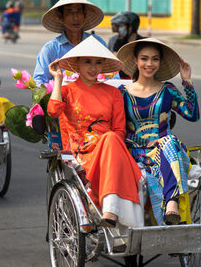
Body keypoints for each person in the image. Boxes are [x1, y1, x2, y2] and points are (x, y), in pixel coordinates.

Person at [46, 36, 143, 229]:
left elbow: (119, 130)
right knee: (110, 139)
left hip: (108, 147)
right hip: (80, 151)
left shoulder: (113, 93)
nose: (93, 68)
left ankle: (110, 210)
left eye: (98, 63)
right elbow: (53, 110)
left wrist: (107, 141)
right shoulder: (67, 90)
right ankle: (110, 209)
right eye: (87, 62)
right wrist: (58, 79)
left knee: (111, 137)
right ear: (77, 64)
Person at [116, 38, 199, 225]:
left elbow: (192, 114)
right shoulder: (122, 93)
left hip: (167, 153)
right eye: (144, 58)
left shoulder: (168, 90)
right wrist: (141, 142)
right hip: (134, 153)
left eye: (155, 59)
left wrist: (187, 82)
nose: (149, 64)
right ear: (136, 61)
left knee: (168, 142)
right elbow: (117, 127)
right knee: (165, 144)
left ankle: (172, 205)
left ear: (160, 62)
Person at [33, 0, 106, 85]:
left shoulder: (97, 43)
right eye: (69, 13)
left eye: (79, 12)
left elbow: (112, 75)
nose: (75, 18)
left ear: (85, 15)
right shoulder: (51, 49)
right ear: (60, 16)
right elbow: (39, 81)